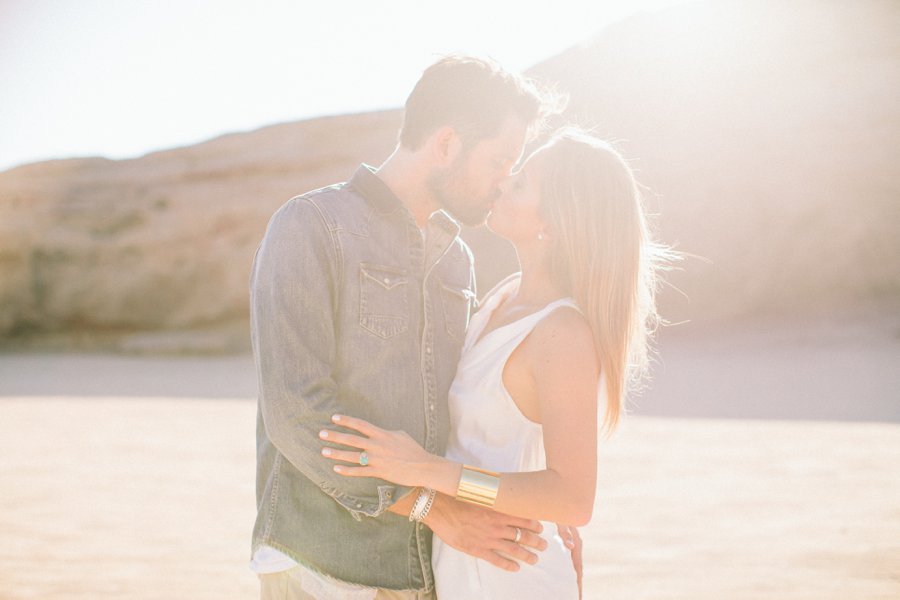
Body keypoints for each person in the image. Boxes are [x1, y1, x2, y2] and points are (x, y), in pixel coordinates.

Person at [249, 55, 563, 599]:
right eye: (498, 160)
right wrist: (433, 509)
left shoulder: (457, 258)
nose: (503, 182)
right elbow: (297, 414)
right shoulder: (311, 225)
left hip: (430, 568)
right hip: (323, 563)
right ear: (446, 144)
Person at [320, 127, 670, 599]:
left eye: (521, 183)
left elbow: (572, 498)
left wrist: (425, 471)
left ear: (556, 222)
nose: (503, 183)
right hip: (469, 561)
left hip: (513, 570)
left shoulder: (561, 333)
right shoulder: (501, 297)